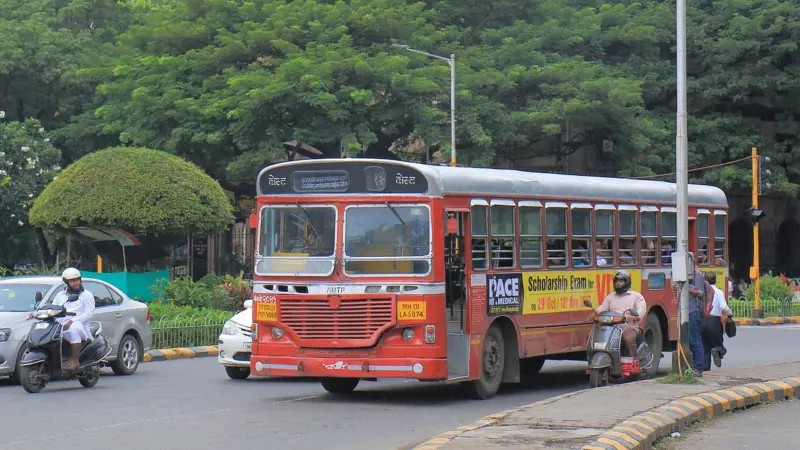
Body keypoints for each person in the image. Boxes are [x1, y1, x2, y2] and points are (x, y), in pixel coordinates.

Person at [593, 270, 647, 361]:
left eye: (621, 281)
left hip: (629, 326)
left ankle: (635, 360)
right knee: (593, 337)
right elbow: (602, 307)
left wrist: (633, 317)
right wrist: (595, 313)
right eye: (616, 281)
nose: (618, 283)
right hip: (611, 327)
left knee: (629, 338)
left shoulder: (636, 296)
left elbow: (641, 311)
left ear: (627, 282)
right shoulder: (610, 296)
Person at [52, 268, 96, 371]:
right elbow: (54, 308)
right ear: (66, 282)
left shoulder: (87, 295)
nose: (76, 283)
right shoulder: (60, 295)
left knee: (74, 329)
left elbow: (89, 314)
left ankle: (75, 360)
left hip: (81, 326)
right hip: (62, 325)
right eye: (72, 281)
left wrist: (72, 321)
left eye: (77, 280)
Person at [701, 272, 732, 370]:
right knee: (718, 342)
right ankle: (717, 350)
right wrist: (729, 313)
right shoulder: (718, 292)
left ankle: (706, 370)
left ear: (705, 281)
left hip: (702, 321)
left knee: (705, 346)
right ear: (715, 280)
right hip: (714, 321)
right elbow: (723, 306)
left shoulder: (702, 292)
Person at [686, 253, 706, 377]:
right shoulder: (681, 275)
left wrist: (686, 289)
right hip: (683, 311)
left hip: (693, 310)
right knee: (687, 340)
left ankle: (698, 368)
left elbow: (700, 292)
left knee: (695, 340)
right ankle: (691, 366)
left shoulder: (697, 275)